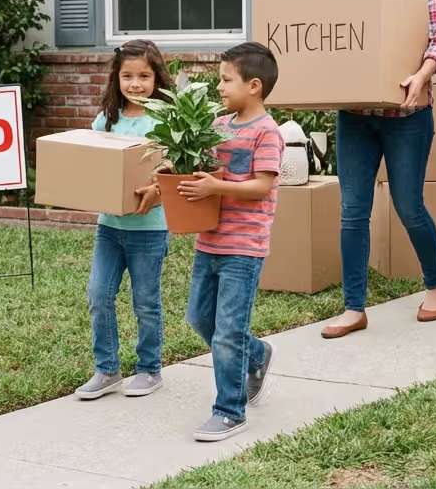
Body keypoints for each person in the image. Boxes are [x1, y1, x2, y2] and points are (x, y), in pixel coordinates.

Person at [319, 0, 436, 340]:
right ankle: (354, 307)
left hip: (408, 115)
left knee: (409, 206)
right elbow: (336, 46)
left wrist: (422, 74)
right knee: (353, 211)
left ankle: (435, 285)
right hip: (356, 116)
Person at [181, 42, 284, 442]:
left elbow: (260, 186)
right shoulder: (219, 125)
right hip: (209, 241)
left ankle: (229, 410)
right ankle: (257, 355)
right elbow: (200, 171)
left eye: (226, 79)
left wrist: (215, 186)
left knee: (227, 331)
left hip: (244, 247)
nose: (219, 86)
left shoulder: (267, 132)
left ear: (254, 85)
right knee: (199, 318)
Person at [75, 40, 172, 400]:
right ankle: (107, 369)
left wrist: (158, 189)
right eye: (127, 76)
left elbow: (176, 168)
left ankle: (149, 369)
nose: (135, 84)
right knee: (98, 295)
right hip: (110, 227)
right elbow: (93, 165)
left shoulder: (164, 119)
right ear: (116, 78)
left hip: (149, 228)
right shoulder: (107, 120)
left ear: (156, 77)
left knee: (145, 301)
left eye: (144, 76)